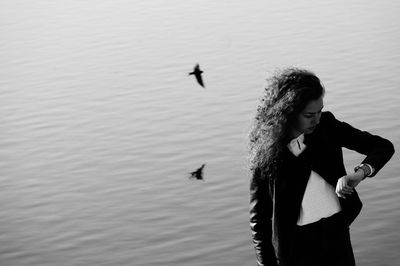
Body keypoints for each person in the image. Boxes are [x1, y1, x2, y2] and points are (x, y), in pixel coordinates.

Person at [248, 67, 394, 266]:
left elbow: (383, 146)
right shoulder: (266, 148)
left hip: (337, 234)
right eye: (309, 115)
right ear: (288, 112)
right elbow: (259, 220)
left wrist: (359, 173)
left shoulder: (327, 126)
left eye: (320, 111)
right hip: (296, 248)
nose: (316, 119)